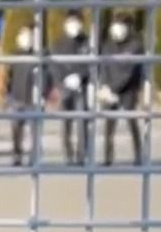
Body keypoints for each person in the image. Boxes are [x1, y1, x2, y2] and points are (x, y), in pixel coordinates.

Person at [98, 14, 144, 165]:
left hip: (128, 90)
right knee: (109, 125)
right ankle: (107, 158)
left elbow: (129, 71)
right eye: (114, 25)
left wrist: (113, 89)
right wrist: (105, 87)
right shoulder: (107, 45)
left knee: (132, 122)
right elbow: (104, 67)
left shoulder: (135, 46)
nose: (116, 29)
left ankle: (138, 156)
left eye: (120, 26)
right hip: (110, 89)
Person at [6, 22, 44, 165]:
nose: (27, 39)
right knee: (16, 130)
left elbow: (46, 76)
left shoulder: (39, 55)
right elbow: (9, 76)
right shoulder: (14, 55)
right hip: (17, 97)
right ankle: (17, 155)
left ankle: (34, 157)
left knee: (35, 131)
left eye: (29, 36)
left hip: (33, 98)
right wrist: (8, 95)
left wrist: (43, 93)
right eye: (24, 36)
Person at [57, 10, 92, 164]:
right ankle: (68, 155)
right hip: (64, 87)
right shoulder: (58, 43)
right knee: (66, 122)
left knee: (82, 122)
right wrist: (64, 79)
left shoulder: (87, 42)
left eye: (76, 22)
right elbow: (54, 65)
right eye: (70, 22)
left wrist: (80, 76)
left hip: (81, 86)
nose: (73, 25)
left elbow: (90, 63)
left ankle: (82, 156)